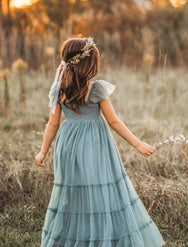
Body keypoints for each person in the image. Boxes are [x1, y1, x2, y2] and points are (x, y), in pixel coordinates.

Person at [35, 36, 165, 247]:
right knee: (99, 189)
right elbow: (113, 121)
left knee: (73, 191)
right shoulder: (97, 89)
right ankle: (99, 236)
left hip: (67, 145)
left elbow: (53, 124)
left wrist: (43, 152)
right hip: (94, 145)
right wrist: (138, 144)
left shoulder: (58, 89)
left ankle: (78, 236)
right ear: (89, 64)